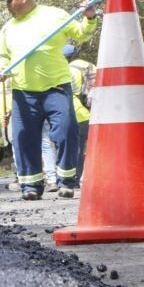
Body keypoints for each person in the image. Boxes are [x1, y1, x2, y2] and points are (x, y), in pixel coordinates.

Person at [0, 0, 98, 200]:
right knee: (23, 138)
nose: (7, 6)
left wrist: (89, 17)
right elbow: (2, 56)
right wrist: (0, 69)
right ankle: (30, 186)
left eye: (9, 0)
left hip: (56, 88)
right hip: (23, 92)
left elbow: (81, 33)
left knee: (66, 130)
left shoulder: (54, 15)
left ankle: (66, 182)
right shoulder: (8, 28)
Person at [63, 44, 95, 186]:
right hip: (95, 113)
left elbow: (70, 92)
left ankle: (75, 178)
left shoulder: (69, 69)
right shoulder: (91, 66)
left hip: (78, 112)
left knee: (77, 148)